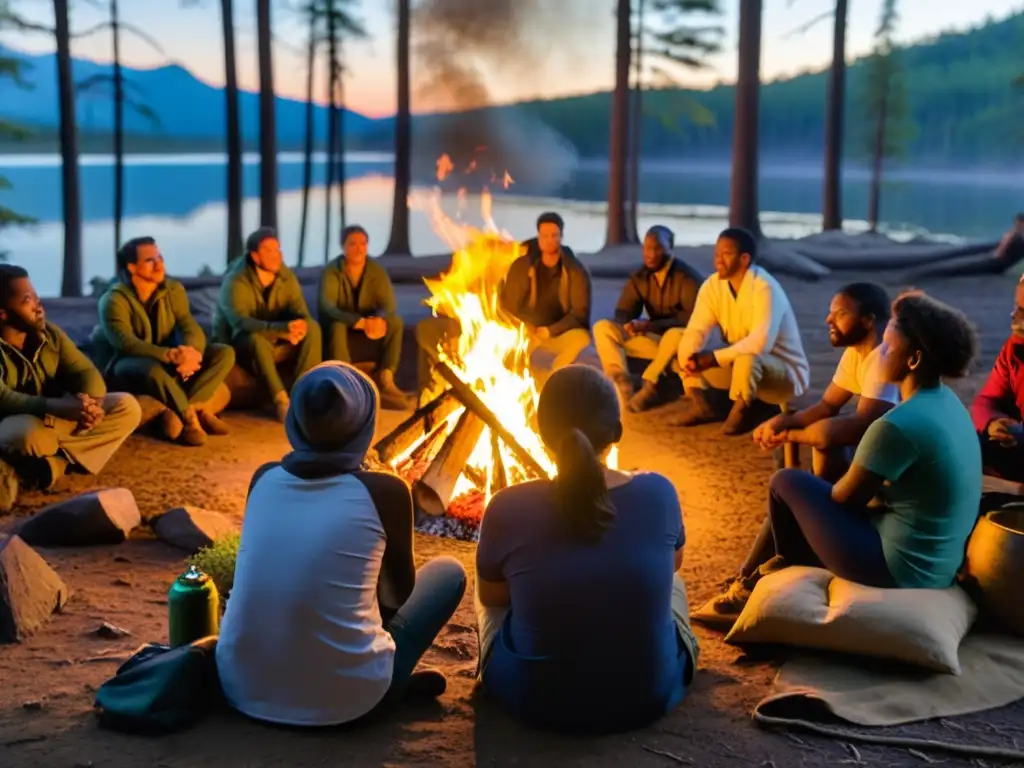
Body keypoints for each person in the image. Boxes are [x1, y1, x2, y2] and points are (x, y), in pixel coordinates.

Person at [693, 291, 982, 629]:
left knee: (786, 483)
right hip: (938, 559)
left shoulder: (896, 426)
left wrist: (818, 483)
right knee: (811, 488)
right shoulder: (947, 403)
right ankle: (757, 574)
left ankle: (774, 574)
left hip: (900, 569)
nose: (880, 354)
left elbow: (844, 499)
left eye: (887, 347)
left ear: (914, 360)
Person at [217, 362, 467, 727]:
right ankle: (387, 681)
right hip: (350, 704)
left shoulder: (264, 479)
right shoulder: (385, 491)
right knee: (449, 572)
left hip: (241, 688)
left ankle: (366, 671)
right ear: (364, 424)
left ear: (296, 421)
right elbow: (398, 595)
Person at [475, 365, 699, 733]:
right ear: (617, 432)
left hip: (534, 699)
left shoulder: (506, 505)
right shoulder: (659, 492)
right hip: (647, 695)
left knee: (491, 581)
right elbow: (674, 565)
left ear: (537, 428)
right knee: (673, 582)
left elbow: (494, 599)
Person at [0, 264, 141, 492]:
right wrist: (60, 407)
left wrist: (90, 405)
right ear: (3, 313)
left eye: (36, 296)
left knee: (127, 406)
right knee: (25, 435)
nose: (38, 305)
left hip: (55, 421)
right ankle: (65, 459)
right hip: (18, 423)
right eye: (27, 300)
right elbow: (4, 399)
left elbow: (84, 371)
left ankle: (55, 464)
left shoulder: (50, 334)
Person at [91, 237, 235, 446]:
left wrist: (191, 352)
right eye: (150, 260)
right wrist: (170, 355)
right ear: (132, 267)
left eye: (160, 257)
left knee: (224, 353)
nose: (159, 264)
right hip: (126, 364)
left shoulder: (172, 289)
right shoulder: (113, 300)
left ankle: (191, 407)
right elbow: (126, 343)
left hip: (166, 360)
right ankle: (189, 419)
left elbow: (187, 324)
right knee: (151, 369)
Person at [753, 282, 899, 481]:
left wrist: (790, 435)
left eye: (840, 314)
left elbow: (863, 424)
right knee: (821, 428)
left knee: (829, 434)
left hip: (906, 455)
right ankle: (823, 495)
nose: (829, 320)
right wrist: (785, 421)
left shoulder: (883, 356)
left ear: (867, 320)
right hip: (882, 442)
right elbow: (827, 405)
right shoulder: (856, 352)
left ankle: (828, 502)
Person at [674, 227, 810, 435]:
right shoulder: (712, 286)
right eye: (717, 254)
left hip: (783, 374)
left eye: (726, 254)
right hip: (741, 368)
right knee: (684, 346)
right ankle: (702, 405)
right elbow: (697, 329)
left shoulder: (764, 287)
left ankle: (742, 412)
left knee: (748, 358)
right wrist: (691, 360)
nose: (719, 260)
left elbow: (760, 342)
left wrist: (711, 358)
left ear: (744, 259)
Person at [212, 227, 322, 422]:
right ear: (255, 256)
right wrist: (280, 331)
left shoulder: (285, 275)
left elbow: (300, 310)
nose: (275, 256)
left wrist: (299, 326)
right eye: (268, 251)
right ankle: (279, 399)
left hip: (276, 339)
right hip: (241, 342)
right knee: (256, 339)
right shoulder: (236, 280)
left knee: (312, 327)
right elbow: (240, 322)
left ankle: (305, 393)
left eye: (278, 249)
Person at [592, 225, 702, 412]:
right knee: (603, 327)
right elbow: (623, 312)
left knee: (674, 335)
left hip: (681, 345)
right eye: (646, 248)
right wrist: (630, 323)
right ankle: (621, 382)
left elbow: (693, 320)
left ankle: (653, 383)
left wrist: (649, 325)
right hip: (655, 342)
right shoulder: (641, 276)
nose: (650, 254)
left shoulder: (687, 278)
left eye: (657, 248)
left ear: (670, 248)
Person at [318, 225, 412, 411]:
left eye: (363, 243)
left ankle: (386, 377)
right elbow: (327, 307)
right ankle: (344, 380)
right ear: (343, 246)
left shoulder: (376, 271)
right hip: (343, 324)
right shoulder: (331, 271)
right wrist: (358, 322)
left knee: (395, 322)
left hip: (370, 325)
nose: (358, 248)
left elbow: (389, 306)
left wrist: (379, 319)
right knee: (336, 325)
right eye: (352, 244)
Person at [499, 212, 593, 382]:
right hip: (526, 330)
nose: (550, 240)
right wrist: (526, 327)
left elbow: (580, 314)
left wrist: (550, 331)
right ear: (538, 237)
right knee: (506, 345)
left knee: (582, 339)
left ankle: (553, 378)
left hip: (558, 333)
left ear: (561, 237)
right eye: (545, 236)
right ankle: (519, 381)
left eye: (554, 235)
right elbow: (509, 307)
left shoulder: (575, 270)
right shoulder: (522, 266)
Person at [971, 274, 1024, 482]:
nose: (1014, 315)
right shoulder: (1016, 349)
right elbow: (986, 400)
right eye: (1016, 306)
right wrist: (993, 422)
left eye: (1023, 311)